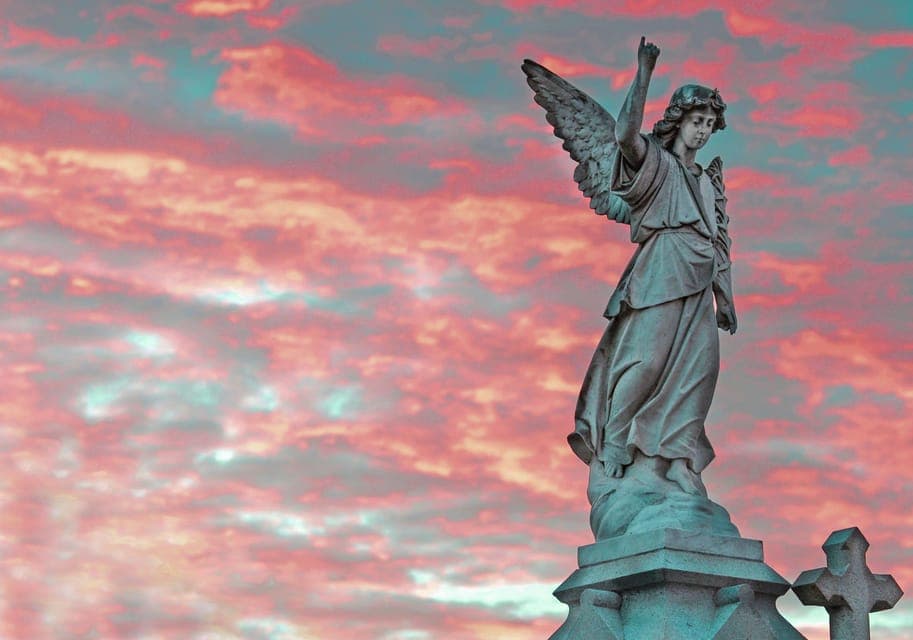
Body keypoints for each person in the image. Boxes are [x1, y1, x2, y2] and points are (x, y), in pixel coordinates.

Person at [567, 38, 737, 497]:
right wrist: (644, 72)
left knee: (698, 374)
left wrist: (725, 296)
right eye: (697, 122)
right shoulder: (656, 164)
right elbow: (624, 136)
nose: (703, 132)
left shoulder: (707, 181)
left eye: (709, 125)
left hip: (699, 279)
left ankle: (678, 459)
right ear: (678, 121)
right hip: (662, 267)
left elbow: (718, 239)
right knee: (645, 362)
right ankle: (615, 440)